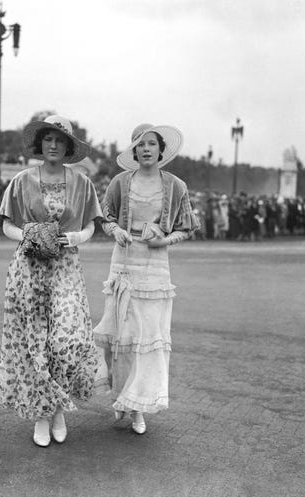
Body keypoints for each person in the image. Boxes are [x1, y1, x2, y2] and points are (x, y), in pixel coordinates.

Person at [0, 115, 102, 447]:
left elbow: (90, 226)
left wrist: (75, 238)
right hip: (30, 270)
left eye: (60, 140)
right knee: (35, 343)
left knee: (64, 339)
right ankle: (43, 415)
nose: (53, 145)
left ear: (68, 147)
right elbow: (6, 225)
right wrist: (25, 232)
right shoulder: (22, 180)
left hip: (66, 269)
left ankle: (59, 411)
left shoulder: (82, 183)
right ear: (40, 144)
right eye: (48, 139)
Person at [94, 123, 199, 435]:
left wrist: (163, 241)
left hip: (155, 263)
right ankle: (120, 397)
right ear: (133, 150)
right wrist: (116, 231)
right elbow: (105, 216)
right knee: (120, 335)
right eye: (140, 144)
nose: (146, 149)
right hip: (123, 260)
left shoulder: (176, 186)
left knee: (147, 337)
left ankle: (139, 406)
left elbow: (187, 226)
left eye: (151, 143)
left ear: (160, 149)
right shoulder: (120, 182)